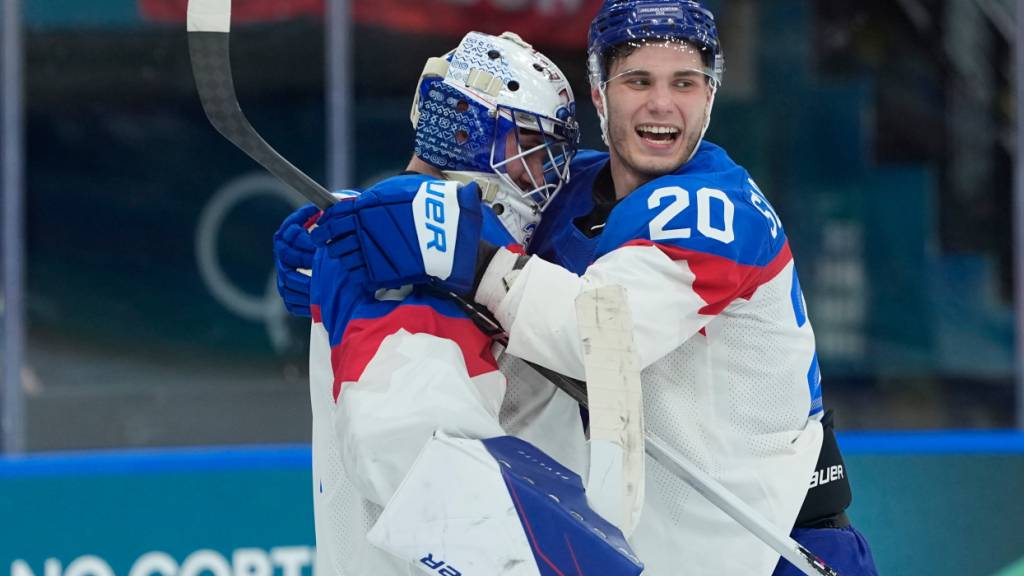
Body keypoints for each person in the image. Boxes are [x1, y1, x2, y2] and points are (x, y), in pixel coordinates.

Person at [308, 1, 880, 575]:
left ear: (709, 96)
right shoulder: (567, 186)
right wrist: (341, 228)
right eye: (638, 81)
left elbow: (601, 340)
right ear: (601, 94)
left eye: (685, 82)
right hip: (669, 544)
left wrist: (470, 259)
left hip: (774, 548)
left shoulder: (717, 211)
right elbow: (480, 191)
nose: (662, 104)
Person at [275, 31, 637, 575]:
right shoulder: (410, 248)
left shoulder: (412, 236)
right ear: (469, 132)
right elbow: (403, 444)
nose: (547, 181)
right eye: (532, 150)